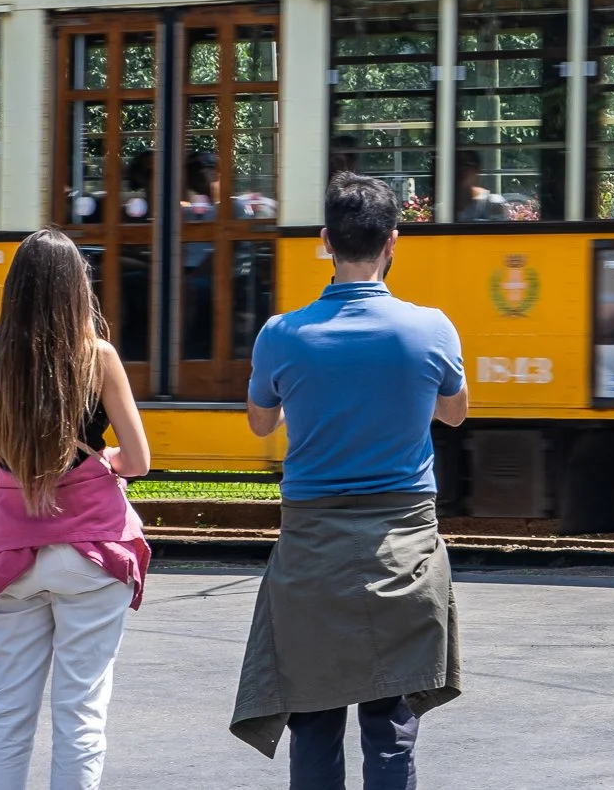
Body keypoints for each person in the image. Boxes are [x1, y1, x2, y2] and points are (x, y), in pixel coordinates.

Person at [232, 173, 465, 788]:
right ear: (394, 242)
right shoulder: (432, 328)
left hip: (311, 560)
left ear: (324, 241)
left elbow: (260, 423)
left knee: (312, 723)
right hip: (403, 555)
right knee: (390, 731)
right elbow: (456, 411)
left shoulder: (281, 334)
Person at [0, 228, 153, 790]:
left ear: (14, 289)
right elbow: (140, 461)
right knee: (80, 713)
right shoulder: (96, 357)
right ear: (77, 288)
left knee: (8, 711)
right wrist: (102, 455)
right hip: (92, 556)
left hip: (12, 555)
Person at [453, 149, 509, 222]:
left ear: (477, 170)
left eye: (466, 165)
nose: (461, 171)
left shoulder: (492, 204)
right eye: (457, 166)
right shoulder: (442, 208)